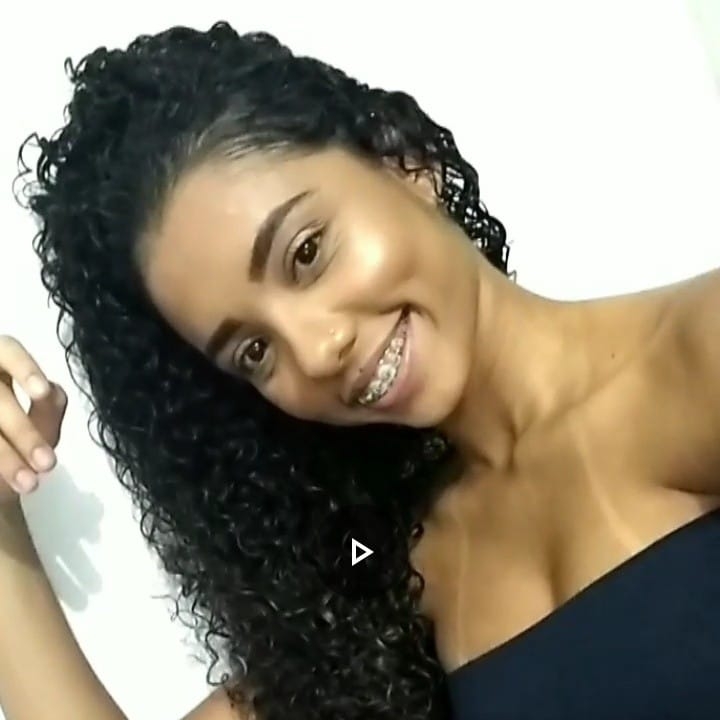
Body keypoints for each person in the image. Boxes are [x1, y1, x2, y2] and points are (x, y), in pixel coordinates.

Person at [1, 20, 719, 720]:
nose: (315, 352)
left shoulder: (699, 354)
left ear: (402, 160)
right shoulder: (392, 575)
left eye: (307, 253)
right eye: (254, 351)